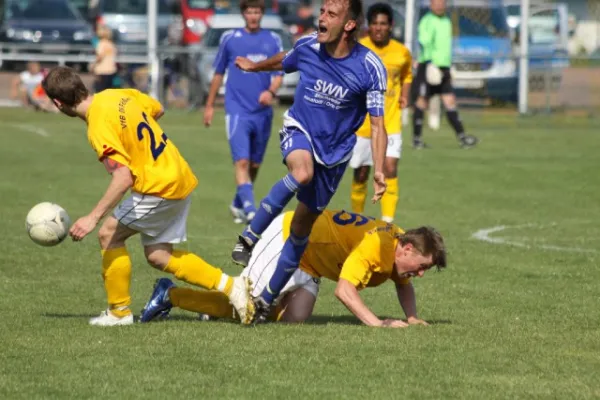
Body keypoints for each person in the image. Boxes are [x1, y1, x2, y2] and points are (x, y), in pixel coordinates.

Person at [41, 67, 255, 326]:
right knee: (158, 255)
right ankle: (233, 286)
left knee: (108, 234)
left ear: (57, 102)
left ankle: (118, 312)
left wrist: (92, 218)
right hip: (178, 174)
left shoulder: (98, 125)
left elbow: (123, 178)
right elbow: (157, 109)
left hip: (158, 186)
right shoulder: (117, 95)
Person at [230, 0, 389, 323]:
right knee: (302, 172)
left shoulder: (370, 66)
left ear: (349, 25)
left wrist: (380, 169)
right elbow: (285, 60)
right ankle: (250, 234)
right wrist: (254, 66)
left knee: (301, 228)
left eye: (331, 14)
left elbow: (377, 124)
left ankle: (265, 300)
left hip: (335, 154)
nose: (321, 18)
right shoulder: (308, 45)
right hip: (299, 129)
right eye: (321, 12)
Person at [140, 209, 446, 327]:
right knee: (247, 311)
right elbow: (343, 290)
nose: (419, 274)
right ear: (407, 249)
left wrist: (412, 318)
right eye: (421, 267)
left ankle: (227, 306)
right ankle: (171, 294)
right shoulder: (376, 247)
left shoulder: (399, 246)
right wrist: (378, 324)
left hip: (310, 261)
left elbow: (402, 283)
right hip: (289, 238)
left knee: (293, 319)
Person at [203, 0, 284, 224]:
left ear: (262, 13)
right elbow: (218, 73)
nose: (253, 16)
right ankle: (250, 210)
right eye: (249, 11)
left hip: (262, 112)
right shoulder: (230, 39)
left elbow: (280, 72)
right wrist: (209, 105)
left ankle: (238, 204)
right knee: (241, 162)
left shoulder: (272, 39)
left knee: (254, 165)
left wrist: (271, 91)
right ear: (243, 13)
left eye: (257, 11)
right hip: (237, 110)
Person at [350, 3, 412, 223]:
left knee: (389, 167)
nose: (378, 28)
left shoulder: (401, 52)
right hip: (362, 125)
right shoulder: (358, 49)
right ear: (369, 25)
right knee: (362, 173)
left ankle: (387, 222)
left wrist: (405, 94)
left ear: (390, 26)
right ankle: (357, 220)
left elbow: (407, 75)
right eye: (374, 23)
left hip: (390, 122)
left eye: (383, 24)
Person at [412, 0, 478, 149]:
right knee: (422, 101)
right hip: (429, 65)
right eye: (437, 3)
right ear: (431, 5)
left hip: (444, 67)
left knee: (450, 101)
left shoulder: (447, 20)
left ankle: (462, 137)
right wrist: (430, 63)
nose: (440, 5)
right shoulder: (427, 21)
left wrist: (448, 65)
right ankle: (417, 139)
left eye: (443, 3)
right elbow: (424, 41)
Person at [91, 25, 119, 93]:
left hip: (101, 70)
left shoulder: (101, 44)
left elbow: (100, 57)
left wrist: (92, 65)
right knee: (109, 91)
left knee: (100, 91)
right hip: (111, 70)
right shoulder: (111, 44)